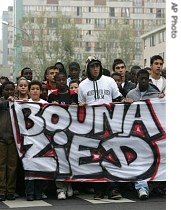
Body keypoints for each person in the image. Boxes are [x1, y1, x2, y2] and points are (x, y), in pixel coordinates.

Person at [78, 56, 132, 200]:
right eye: (92, 66)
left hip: (110, 125)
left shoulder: (109, 81)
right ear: (88, 68)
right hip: (92, 127)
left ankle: (114, 189)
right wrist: (80, 106)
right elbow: (79, 106)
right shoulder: (82, 85)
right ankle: (99, 189)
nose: (95, 69)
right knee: (96, 158)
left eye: (97, 66)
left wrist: (124, 101)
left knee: (112, 156)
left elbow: (117, 99)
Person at [126, 68, 165, 200]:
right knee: (138, 161)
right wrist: (127, 102)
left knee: (155, 160)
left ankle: (157, 185)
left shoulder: (155, 94)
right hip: (136, 134)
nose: (143, 81)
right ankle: (141, 187)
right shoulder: (131, 94)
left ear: (148, 79)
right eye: (141, 78)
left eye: (145, 79)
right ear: (137, 79)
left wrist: (162, 99)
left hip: (153, 133)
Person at [47, 72, 78, 200]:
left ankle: (69, 185)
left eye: (63, 79)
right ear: (55, 81)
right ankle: (60, 188)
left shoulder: (74, 95)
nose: (61, 82)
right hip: (57, 132)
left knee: (70, 160)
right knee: (59, 160)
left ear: (66, 80)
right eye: (58, 80)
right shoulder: (52, 96)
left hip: (71, 131)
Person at [24, 80, 48, 201]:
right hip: (28, 139)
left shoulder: (46, 104)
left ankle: (39, 192)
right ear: (29, 91)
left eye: (37, 89)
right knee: (29, 165)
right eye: (32, 89)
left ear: (40, 91)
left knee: (40, 165)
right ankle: (29, 192)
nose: (35, 91)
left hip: (42, 140)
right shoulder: (23, 104)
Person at [0, 81, 19, 201]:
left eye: (11, 89)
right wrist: (8, 102)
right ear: (2, 91)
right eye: (7, 89)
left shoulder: (18, 103)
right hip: (1, 138)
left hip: (13, 139)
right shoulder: (2, 102)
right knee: (1, 165)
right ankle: (1, 191)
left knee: (13, 166)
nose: (9, 92)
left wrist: (14, 102)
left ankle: (10, 190)